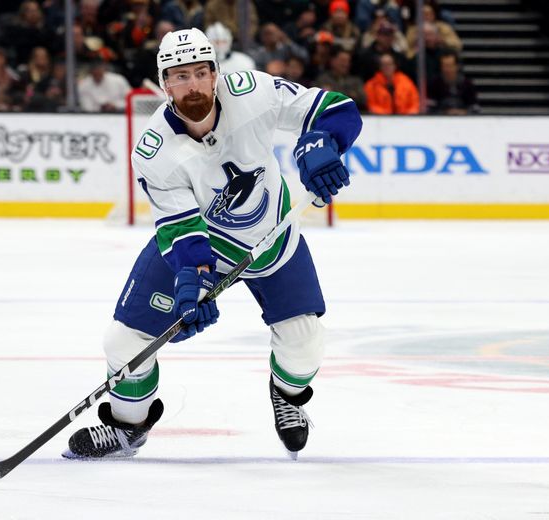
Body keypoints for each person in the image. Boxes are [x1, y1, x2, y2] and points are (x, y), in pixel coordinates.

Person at [63, 28, 362, 460]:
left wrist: (321, 144)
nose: (192, 85)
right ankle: (128, 428)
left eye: (201, 73)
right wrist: (195, 281)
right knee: (123, 342)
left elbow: (336, 109)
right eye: (180, 77)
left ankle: (287, 396)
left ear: (216, 73)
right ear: (164, 84)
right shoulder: (153, 151)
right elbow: (179, 227)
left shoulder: (253, 91)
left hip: (272, 241)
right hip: (205, 243)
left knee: (305, 341)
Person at [427, 50, 479, 115]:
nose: (447, 69)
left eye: (450, 66)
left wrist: (463, 113)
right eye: (445, 66)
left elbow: (475, 109)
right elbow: (430, 110)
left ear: (457, 66)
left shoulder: (468, 84)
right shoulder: (434, 84)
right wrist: (445, 113)